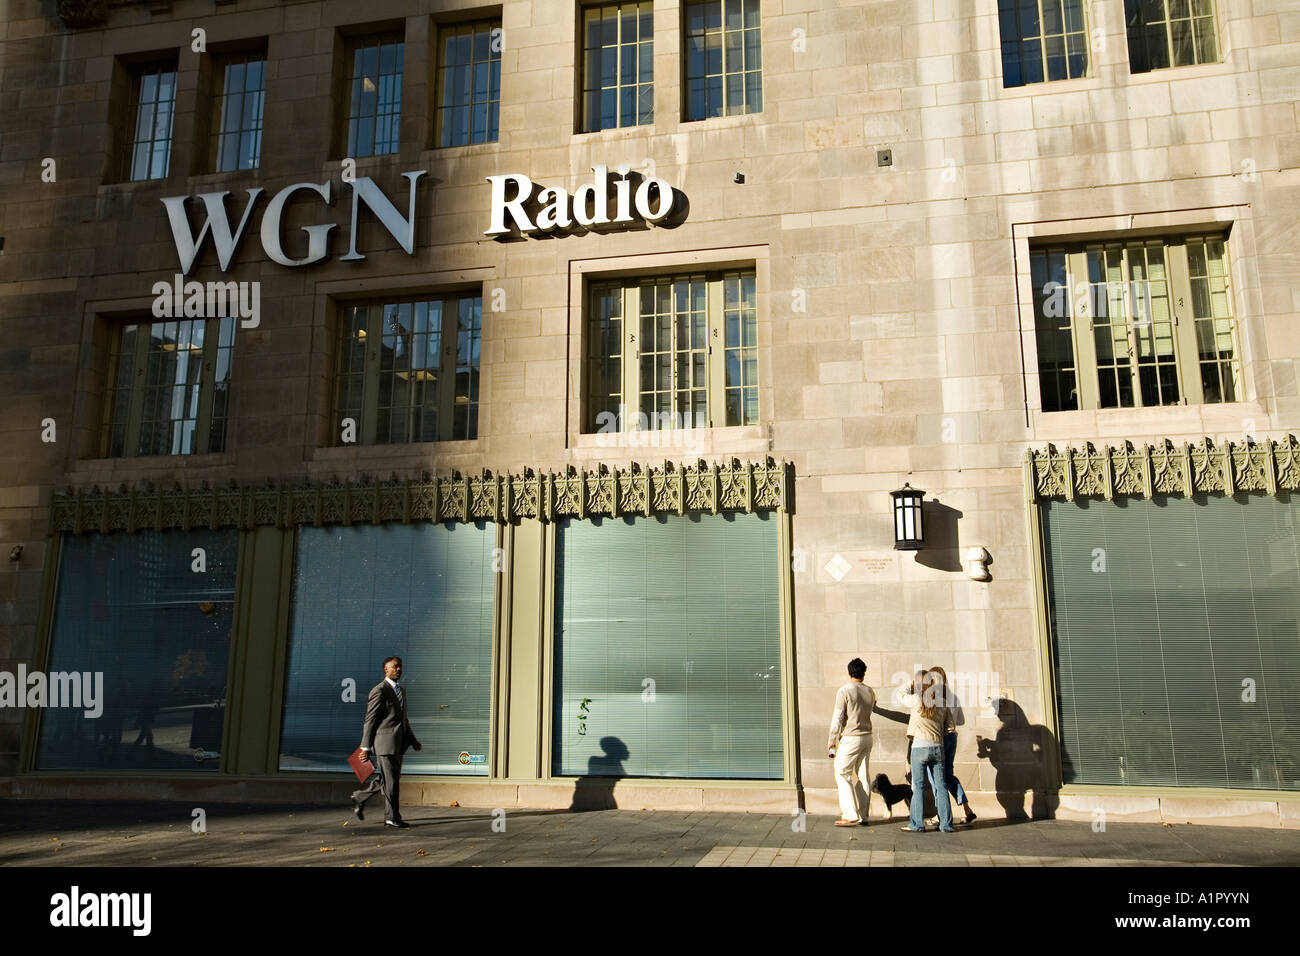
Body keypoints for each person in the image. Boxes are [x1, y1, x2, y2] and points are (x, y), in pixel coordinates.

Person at [351, 656, 421, 828]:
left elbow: (403, 720)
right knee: (392, 782)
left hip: (399, 744)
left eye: (400, 667)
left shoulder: (401, 691)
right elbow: (370, 720)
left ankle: (360, 797)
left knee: (389, 779)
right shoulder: (379, 690)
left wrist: (413, 740)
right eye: (395, 667)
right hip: (384, 744)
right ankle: (391, 816)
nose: (399, 669)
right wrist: (365, 747)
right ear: (386, 670)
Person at [898, 669, 954, 833]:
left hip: (919, 747)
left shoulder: (916, 699)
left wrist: (911, 683)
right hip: (937, 746)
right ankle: (946, 824)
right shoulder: (942, 701)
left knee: (918, 786)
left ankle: (917, 824)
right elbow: (950, 726)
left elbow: (900, 694)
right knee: (941, 786)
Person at [827, 657, 876, 826]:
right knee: (863, 775)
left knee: (842, 772)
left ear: (849, 672)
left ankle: (850, 813)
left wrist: (832, 739)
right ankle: (864, 815)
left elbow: (838, 717)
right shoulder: (870, 691)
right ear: (864, 672)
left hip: (851, 737)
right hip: (867, 736)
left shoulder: (844, 690)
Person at [929, 665, 976, 825]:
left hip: (939, 739)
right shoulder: (953, 697)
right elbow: (961, 720)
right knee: (948, 776)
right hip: (952, 737)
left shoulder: (933, 697)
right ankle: (966, 809)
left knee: (936, 778)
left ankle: (940, 814)